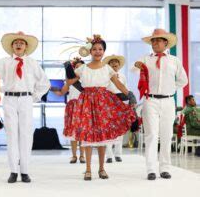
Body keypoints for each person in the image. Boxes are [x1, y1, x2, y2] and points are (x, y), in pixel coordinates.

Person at [0, 31, 50, 183]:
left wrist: (34, 97)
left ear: (26, 47)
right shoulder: (4, 62)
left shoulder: (32, 62)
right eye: (16, 43)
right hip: (9, 99)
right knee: (11, 134)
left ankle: (25, 171)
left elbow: (45, 82)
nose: (19, 45)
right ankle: (13, 171)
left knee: (25, 134)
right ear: (11, 46)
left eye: (22, 43)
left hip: (26, 99)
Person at [67, 34, 136, 181]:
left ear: (103, 51)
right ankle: (87, 170)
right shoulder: (83, 68)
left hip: (103, 104)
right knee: (87, 136)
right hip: (86, 103)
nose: (97, 51)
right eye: (94, 49)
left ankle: (102, 168)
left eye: (100, 49)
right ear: (90, 52)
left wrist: (129, 94)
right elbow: (72, 81)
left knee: (101, 137)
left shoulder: (107, 68)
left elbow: (118, 84)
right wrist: (68, 69)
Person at [134, 29, 188, 180]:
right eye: (153, 40)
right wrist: (137, 64)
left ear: (166, 43)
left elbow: (183, 80)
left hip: (168, 101)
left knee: (166, 134)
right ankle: (151, 169)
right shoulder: (146, 58)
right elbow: (134, 67)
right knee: (151, 135)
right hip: (150, 100)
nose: (155, 43)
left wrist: (171, 88)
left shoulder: (174, 61)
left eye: (158, 40)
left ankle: (165, 168)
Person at [53, 57, 85, 164]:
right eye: (76, 67)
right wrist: (50, 88)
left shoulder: (86, 80)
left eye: (81, 67)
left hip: (84, 107)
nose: (78, 69)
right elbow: (61, 92)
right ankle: (74, 155)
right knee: (73, 132)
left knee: (82, 131)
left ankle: (82, 155)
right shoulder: (69, 82)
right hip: (72, 106)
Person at [103, 55, 127, 163]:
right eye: (111, 62)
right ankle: (108, 155)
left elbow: (125, 90)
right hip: (108, 104)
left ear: (119, 65)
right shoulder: (105, 76)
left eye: (116, 62)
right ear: (108, 65)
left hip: (120, 104)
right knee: (108, 129)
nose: (114, 64)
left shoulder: (122, 76)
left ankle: (118, 154)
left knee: (120, 130)